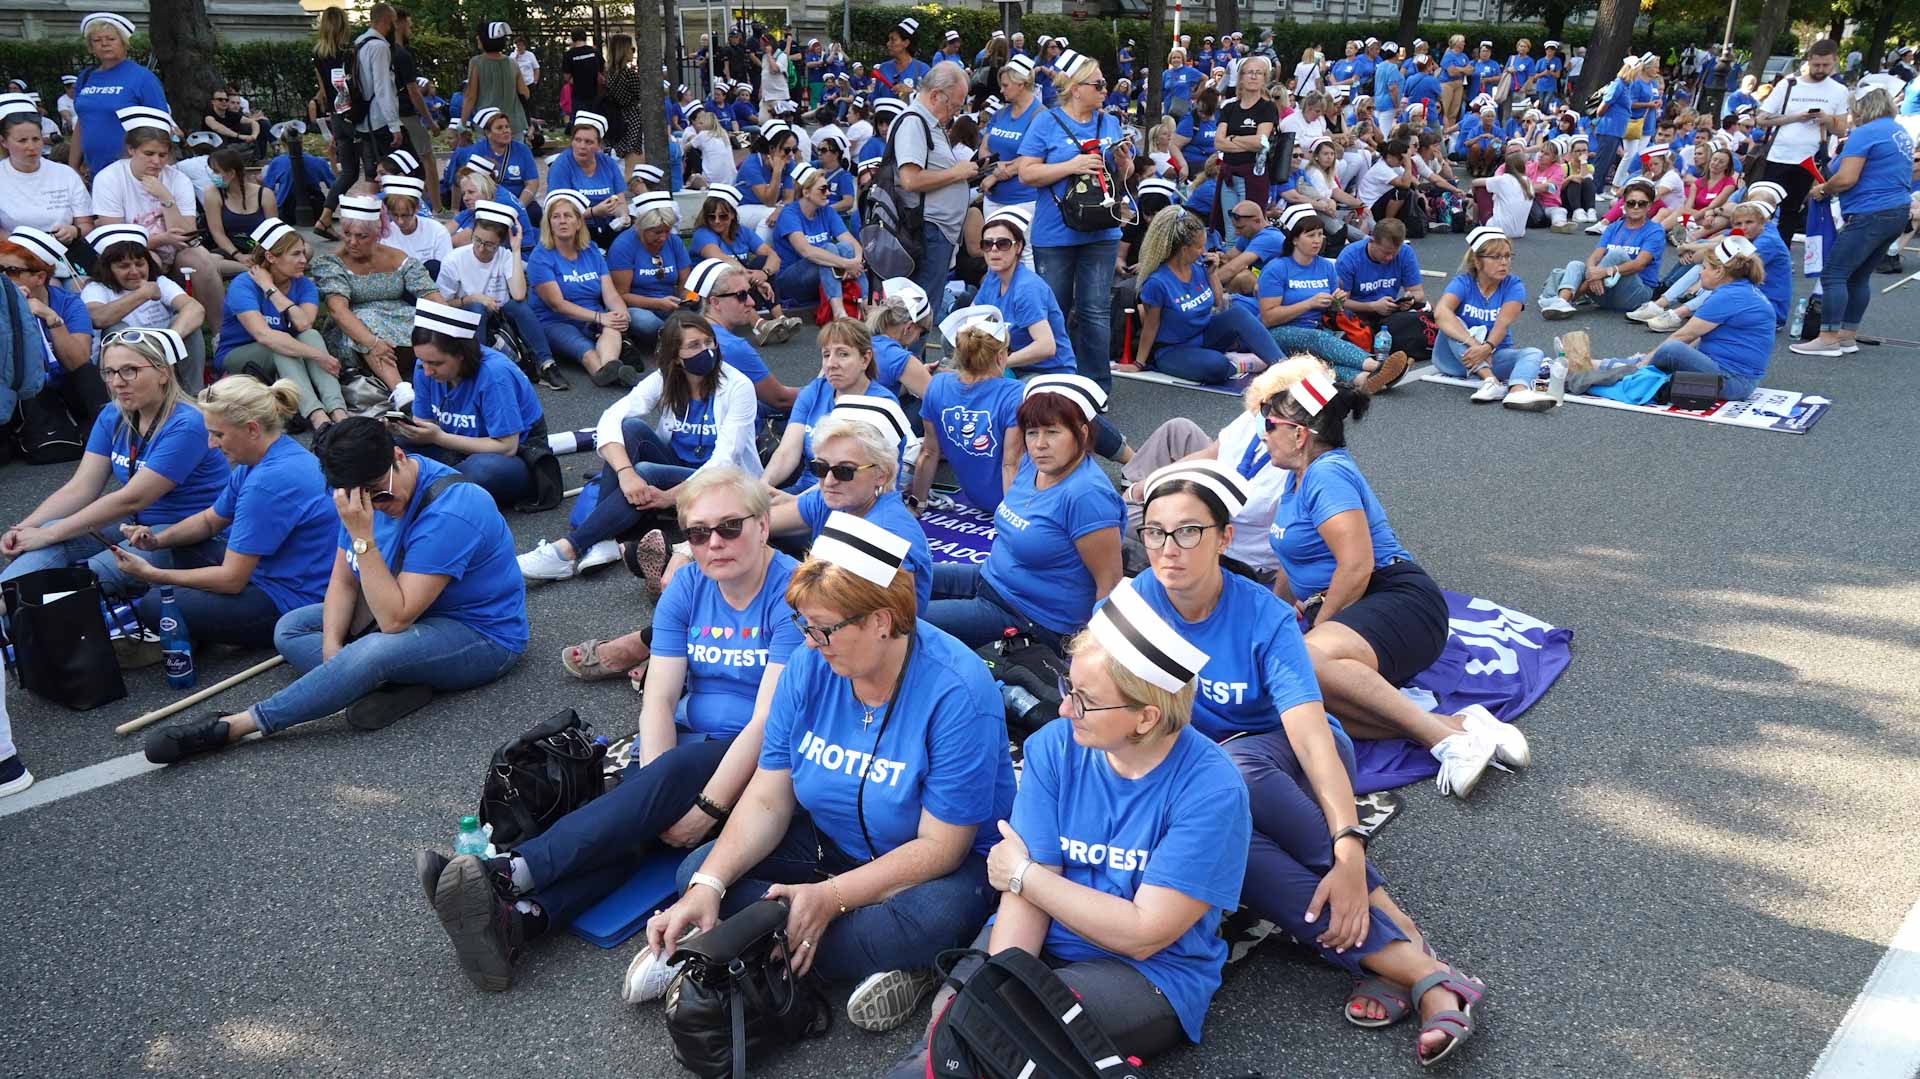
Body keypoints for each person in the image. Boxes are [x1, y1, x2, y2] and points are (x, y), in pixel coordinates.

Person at [1127, 461, 1490, 1059]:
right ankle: (1422, 971)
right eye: (1156, 531)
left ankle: (1383, 917)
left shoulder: (1264, 616)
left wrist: (1348, 850)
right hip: (1212, 778)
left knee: (1240, 773)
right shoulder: (1136, 603)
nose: (1169, 548)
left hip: (1288, 759)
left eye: (1188, 531)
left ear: (1222, 538)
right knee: (1229, 847)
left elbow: (1311, 733)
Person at [635, 515, 1015, 1033]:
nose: (811, 642)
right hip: (830, 844)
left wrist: (832, 898)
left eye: (825, 628)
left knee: (928, 922)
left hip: (938, 869)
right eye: (803, 625)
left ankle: (728, 954)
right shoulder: (811, 666)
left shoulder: (959, 692)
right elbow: (769, 796)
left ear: (882, 620)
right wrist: (708, 884)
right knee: (697, 874)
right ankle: (823, 952)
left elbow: (941, 847)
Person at [427, 467, 801, 991]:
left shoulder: (792, 594)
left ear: (763, 525)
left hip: (758, 762)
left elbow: (767, 722)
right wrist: (654, 787)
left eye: (730, 527)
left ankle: (510, 872)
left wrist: (704, 809)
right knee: (629, 827)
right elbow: (661, 697)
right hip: (683, 754)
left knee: (662, 788)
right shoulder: (689, 585)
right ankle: (524, 919)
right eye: (697, 533)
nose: (712, 543)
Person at [879, 583, 1251, 1078]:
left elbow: (1143, 934)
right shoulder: (1056, 746)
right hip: (1046, 935)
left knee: (1011, 1032)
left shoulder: (1211, 789)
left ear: (1146, 717)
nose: (1063, 709)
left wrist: (1026, 876)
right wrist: (998, 977)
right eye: (1067, 689)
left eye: (1085, 700)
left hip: (1147, 973)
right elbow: (1022, 896)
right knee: (954, 1023)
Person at [143, 416, 528, 764]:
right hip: (404, 612)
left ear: (398, 455)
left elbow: (394, 620)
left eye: (379, 493)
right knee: (291, 628)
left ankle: (236, 725)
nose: (377, 505)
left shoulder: (453, 510)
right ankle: (385, 682)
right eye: (361, 498)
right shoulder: (356, 497)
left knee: (376, 649)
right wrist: (333, 648)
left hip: (480, 635)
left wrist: (363, 536)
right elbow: (343, 580)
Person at [518, 310, 759, 583]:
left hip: (728, 481)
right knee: (630, 429)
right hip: (677, 468)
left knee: (646, 470)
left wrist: (670, 497)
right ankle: (603, 538)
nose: (707, 351)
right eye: (694, 346)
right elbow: (612, 415)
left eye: (709, 342)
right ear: (676, 357)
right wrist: (624, 472)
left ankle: (568, 550)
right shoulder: (666, 377)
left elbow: (725, 460)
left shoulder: (738, 386)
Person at [1, 329, 228, 595]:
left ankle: (25, 614)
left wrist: (49, 534)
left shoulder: (188, 424)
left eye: (130, 370)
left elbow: (133, 498)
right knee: (47, 532)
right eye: (109, 372)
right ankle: (6, 609)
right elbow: (81, 488)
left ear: (163, 373)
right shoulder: (113, 414)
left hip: (189, 533)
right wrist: (27, 527)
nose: (117, 382)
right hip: (135, 525)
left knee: (99, 567)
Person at [110, 376, 334, 645]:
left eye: (218, 434)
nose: (211, 444)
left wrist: (152, 574)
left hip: (297, 602)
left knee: (153, 606)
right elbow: (209, 521)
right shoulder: (269, 456)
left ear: (252, 429)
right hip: (276, 572)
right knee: (179, 549)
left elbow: (231, 580)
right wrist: (157, 541)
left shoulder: (267, 484)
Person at [927, 375, 1122, 648]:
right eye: (1032, 432)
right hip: (990, 579)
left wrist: (1092, 653)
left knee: (903, 621)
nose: (1039, 443)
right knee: (895, 576)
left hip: (1032, 617)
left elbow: (1110, 582)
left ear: (1083, 432)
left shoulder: (1087, 495)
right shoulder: (1033, 464)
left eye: (1052, 432)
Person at [1018, 50, 1135, 389]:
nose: (1105, 90)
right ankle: (1051, 384)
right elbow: (1026, 173)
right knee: (1053, 309)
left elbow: (1123, 176)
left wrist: (1125, 163)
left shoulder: (1109, 122)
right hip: (1055, 232)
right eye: (1098, 84)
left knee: (1095, 311)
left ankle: (1096, 387)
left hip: (1101, 229)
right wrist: (1072, 166)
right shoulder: (1046, 121)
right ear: (1074, 87)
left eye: (1104, 84)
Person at [90, 107, 222, 389]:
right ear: (131, 150)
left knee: (199, 258)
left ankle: (221, 336)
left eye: (162, 155)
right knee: (144, 256)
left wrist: (166, 198)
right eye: (148, 154)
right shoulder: (109, 178)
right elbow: (111, 238)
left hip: (174, 251)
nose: (157, 161)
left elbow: (186, 233)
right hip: (132, 256)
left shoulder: (176, 179)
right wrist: (158, 240)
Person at [1575, 235, 1779, 399]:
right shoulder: (1743, 290)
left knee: (1670, 350)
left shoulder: (1728, 296)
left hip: (1732, 382)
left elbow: (1683, 336)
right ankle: (1598, 363)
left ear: (1718, 272)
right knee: (1666, 354)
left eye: (1704, 268)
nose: (1700, 274)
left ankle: (1609, 367)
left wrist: (1643, 365)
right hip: (1737, 379)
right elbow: (1700, 339)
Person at [1793, 85, 1914, 357]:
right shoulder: (1897, 131)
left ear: (1862, 107)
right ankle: (1847, 336)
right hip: (1896, 209)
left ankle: (1828, 338)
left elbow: (1847, 178)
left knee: (1834, 273)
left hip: (1870, 211)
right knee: (1858, 277)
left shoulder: (1866, 133)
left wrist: (1822, 189)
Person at [397, 299, 545, 504]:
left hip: (512, 455)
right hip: (454, 448)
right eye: (423, 362)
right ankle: (435, 488)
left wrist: (439, 438)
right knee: (387, 443)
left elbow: (507, 447)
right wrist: (406, 430)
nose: (427, 371)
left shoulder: (494, 374)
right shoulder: (423, 366)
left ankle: (427, 490)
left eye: (436, 363)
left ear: (461, 355)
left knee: (482, 470)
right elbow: (425, 422)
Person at [213, 218, 344, 431]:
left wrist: (271, 290)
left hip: (285, 350)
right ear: (271, 257)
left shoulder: (302, 284)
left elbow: (304, 325)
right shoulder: (243, 285)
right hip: (238, 356)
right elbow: (264, 336)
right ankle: (318, 418)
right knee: (279, 346)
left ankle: (339, 412)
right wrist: (319, 356)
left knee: (310, 337)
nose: (304, 260)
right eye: (295, 254)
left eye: (303, 253)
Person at [1256, 206, 1404, 390]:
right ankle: (1377, 366)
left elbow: (1332, 311)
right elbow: (1268, 318)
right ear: (1294, 238)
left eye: (1320, 234)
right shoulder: (1277, 268)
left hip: (1318, 329)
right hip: (1279, 333)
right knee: (1316, 339)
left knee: (1318, 364)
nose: (1317, 240)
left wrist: (1337, 303)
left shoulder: (1326, 267)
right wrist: (1309, 304)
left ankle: (1365, 379)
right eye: (1310, 235)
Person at [1132, 206, 1280, 384]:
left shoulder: (1198, 267)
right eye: (1200, 247)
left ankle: (1285, 367)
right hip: (1173, 349)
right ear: (1184, 249)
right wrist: (1138, 364)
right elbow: (1151, 326)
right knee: (1217, 366)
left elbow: (1219, 302)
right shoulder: (1157, 282)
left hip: (1204, 334)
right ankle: (1236, 362)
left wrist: (1212, 274)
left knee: (1238, 314)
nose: (1205, 251)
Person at [312, 195, 442, 395]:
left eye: (361, 236)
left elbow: (429, 292)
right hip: (354, 329)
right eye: (347, 234)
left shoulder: (396, 256)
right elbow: (338, 310)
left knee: (425, 319)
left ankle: (435, 383)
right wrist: (372, 342)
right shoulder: (331, 263)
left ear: (377, 234)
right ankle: (400, 390)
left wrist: (450, 325)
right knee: (368, 319)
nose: (352, 242)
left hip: (398, 316)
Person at [763, 319, 908, 492]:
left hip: (854, 499)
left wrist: (793, 504)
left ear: (865, 359)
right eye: (826, 355)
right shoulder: (815, 391)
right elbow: (787, 452)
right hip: (808, 490)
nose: (831, 364)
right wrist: (764, 486)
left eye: (843, 354)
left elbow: (844, 478)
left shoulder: (881, 404)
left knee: (765, 517)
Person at [910, 307, 1023, 512]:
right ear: (1000, 357)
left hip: (978, 498)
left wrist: (917, 503)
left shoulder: (937, 386)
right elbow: (1011, 465)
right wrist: (1013, 523)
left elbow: (928, 452)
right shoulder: (1015, 393)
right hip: (1015, 500)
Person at [437, 199, 559, 385]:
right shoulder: (454, 260)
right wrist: (472, 298)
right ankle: (477, 367)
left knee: (518, 306)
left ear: (500, 243)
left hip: (498, 316)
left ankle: (547, 364)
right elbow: (442, 304)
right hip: (466, 318)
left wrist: (516, 250)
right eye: (477, 240)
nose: (480, 248)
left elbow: (518, 294)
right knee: (477, 307)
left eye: (489, 244)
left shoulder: (505, 255)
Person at [80, 224, 207, 396]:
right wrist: (142, 294)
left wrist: (168, 341)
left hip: (165, 356)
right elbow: (98, 318)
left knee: (188, 323)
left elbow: (195, 309)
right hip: (124, 367)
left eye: (139, 264)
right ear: (108, 268)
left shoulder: (160, 282)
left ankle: (193, 397)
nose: (134, 271)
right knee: (115, 330)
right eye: (124, 266)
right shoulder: (97, 288)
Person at [527, 189, 635, 387]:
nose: (562, 221)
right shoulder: (540, 257)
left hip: (594, 317)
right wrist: (600, 317)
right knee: (584, 348)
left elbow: (610, 293)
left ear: (578, 222)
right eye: (556, 217)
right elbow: (557, 304)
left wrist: (621, 314)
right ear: (548, 223)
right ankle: (604, 371)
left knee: (612, 328)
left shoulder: (591, 250)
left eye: (568, 216)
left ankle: (611, 369)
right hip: (555, 321)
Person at [891, 63, 973, 325]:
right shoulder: (915, 123)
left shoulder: (927, 123)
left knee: (925, 309)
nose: (954, 113)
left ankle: (915, 364)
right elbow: (911, 179)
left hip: (935, 229)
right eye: (954, 106)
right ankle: (912, 364)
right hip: (927, 229)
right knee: (920, 314)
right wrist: (957, 173)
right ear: (936, 94)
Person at [3, 228, 110, 422]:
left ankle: (113, 435)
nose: (3, 277)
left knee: (88, 374)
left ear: (40, 277)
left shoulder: (69, 303)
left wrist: (51, 317)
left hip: (62, 384)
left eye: (11, 271)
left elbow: (77, 362)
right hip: (19, 387)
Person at [1756, 40, 1851, 244]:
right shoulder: (1789, 84)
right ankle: (1759, 249)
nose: (1820, 70)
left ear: (1835, 61)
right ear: (1809, 60)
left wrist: (1827, 120)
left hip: (1811, 159)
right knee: (1765, 206)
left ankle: (1781, 250)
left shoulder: (1839, 91)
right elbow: (1762, 118)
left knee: (1792, 210)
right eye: (1816, 65)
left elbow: (1842, 128)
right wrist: (1798, 117)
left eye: (1826, 65)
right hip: (1778, 155)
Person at [686, 184, 802, 344]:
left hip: (738, 288)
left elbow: (773, 256)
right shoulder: (703, 234)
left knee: (762, 262)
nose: (716, 221)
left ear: (733, 215)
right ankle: (759, 326)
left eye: (723, 216)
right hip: (699, 293)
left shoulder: (742, 232)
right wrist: (755, 278)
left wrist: (764, 273)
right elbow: (721, 259)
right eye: (711, 217)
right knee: (729, 277)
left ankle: (781, 319)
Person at [1538, 177, 1666, 321]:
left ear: (1649, 206)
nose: (1636, 207)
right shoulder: (1613, 227)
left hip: (1636, 295)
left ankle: (1568, 298)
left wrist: (1603, 272)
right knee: (1576, 265)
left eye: (1641, 204)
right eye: (1631, 203)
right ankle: (1561, 302)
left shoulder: (1655, 231)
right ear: (1624, 205)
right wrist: (1594, 272)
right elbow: (1595, 256)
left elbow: (1639, 264)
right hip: (1604, 292)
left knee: (1616, 254)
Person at [325, 4, 406, 226]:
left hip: (362, 118)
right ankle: (385, 219)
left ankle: (370, 219)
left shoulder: (359, 44)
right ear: (385, 22)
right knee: (392, 171)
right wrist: (394, 124)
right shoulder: (379, 47)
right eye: (391, 23)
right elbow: (383, 87)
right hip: (378, 119)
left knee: (372, 173)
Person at [66, 12, 169, 180]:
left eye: (111, 39)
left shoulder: (143, 78)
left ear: (124, 42)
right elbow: (81, 123)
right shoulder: (86, 77)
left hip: (132, 172)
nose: (104, 44)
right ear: (91, 47)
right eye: (97, 40)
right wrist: (73, 167)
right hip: (93, 171)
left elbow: (161, 128)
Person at [0, 97, 93, 245]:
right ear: (4, 142)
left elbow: (86, 224)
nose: (31, 146)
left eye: (36, 139)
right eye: (22, 141)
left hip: (67, 253)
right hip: (16, 256)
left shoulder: (65, 174)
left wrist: (74, 231)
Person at [609, 192, 692, 351]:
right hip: (638, 306)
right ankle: (675, 338)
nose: (663, 237)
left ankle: (673, 337)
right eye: (657, 232)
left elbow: (685, 285)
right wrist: (657, 303)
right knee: (645, 322)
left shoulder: (674, 242)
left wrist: (691, 298)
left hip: (670, 303)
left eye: (667, 231)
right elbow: (621, 296)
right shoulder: (623, 246)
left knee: (702, 309)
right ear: (642, 228)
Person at [1212, 57, 1279, 236]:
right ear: (1241, 77)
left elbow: (1261, 142)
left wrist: (1232, 139)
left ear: (1264, 78)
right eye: (1250, 72)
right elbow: (1218, 143)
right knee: (1231, 229)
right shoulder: (1229, 108)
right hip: (1229, 175)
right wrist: (1246, 141)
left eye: (1259, 73)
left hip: (1253, 175)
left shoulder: (1267, 108)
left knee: (1252, 228)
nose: (1254, 76)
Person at [545, 111, 625, 246]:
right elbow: (557, 213)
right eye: (577, 140)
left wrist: (623, 215)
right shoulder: (561, 166)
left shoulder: (608, 163)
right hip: (575, 229)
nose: (582, 146)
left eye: (588, 142)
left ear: (599, 145)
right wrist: (594, 212)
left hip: (608, 226)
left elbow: (621, 201)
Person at [377, 174, 450, 279]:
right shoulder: (386, 234)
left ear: (417, 208)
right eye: (394, 215)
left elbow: (445, 271)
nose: (400, 221)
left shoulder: (437, 231)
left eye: (405, 215)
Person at [602, 35, 647, 172]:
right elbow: (640, 95)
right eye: (631, 49)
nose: (633, 53)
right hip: (633, 117)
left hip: (618, 117)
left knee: (626, 161)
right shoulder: (629, 74)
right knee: (634, 164)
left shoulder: (610, 74)